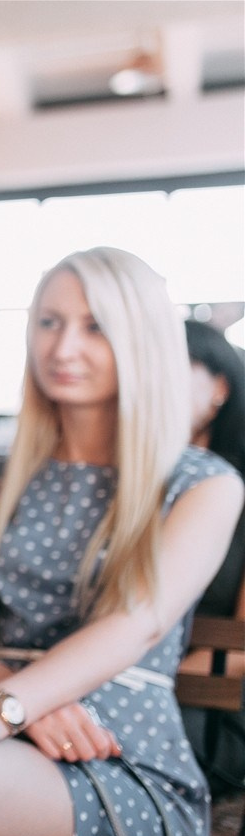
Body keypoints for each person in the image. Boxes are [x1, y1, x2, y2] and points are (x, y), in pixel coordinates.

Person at [0, 247, 243, 836]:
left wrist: (8, 706)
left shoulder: (204, 483)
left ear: (142, 342)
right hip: (6, 727)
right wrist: (19, 703)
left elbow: (137, 623)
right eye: (49, 322)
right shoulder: (2, 476)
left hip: (120, 752)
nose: (63, 348)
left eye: (96, 328)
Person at [180, 318, 245, 792]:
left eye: (170, 368)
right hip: (109, 695)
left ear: (219, 387)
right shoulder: (124, 486)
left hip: (212, 718)